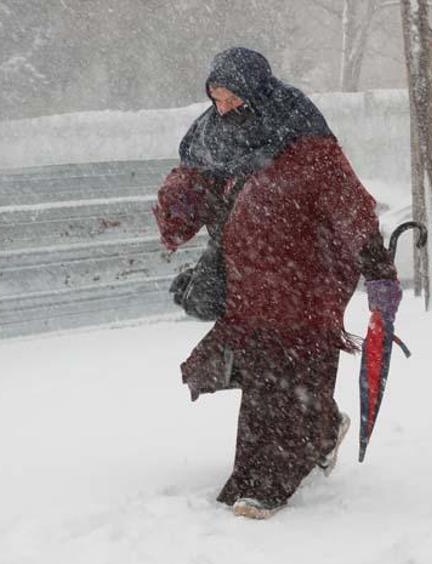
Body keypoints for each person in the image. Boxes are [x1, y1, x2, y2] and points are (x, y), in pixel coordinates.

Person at [153, 47, 402, 519]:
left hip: (305, 289)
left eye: (231, 97)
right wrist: (177, 202)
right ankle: (313, 436)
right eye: (216, 96)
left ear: (255, 91)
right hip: (252, 288)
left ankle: (267, 484)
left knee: (287, 386)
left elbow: (350, 208)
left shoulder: (304, 141)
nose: (222, 107)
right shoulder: (216, 138)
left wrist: (379, 271)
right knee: (263, 383)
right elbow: (196, 195)